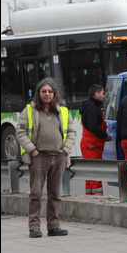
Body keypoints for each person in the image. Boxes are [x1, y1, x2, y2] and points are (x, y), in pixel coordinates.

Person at [17, 77, 77, 238]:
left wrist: (65, 150)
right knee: (36, 193)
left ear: (54, 93)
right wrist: (32, 150)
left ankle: (54, 226)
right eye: (44, 91)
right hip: (39, 157)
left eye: (50, 91)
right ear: (39, 93)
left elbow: (72, 132)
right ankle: (34, 227)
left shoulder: (62, 111)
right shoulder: (29, 111)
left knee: (55, 194)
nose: (47, 94)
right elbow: (20, 132)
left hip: (59, 156)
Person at [78, 84, 111, 196]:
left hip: (90, 145)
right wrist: (105, 136)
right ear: (96, 94)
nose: (104, 96)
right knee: (95, 173)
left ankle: (90, 199)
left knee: (90, 175)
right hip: (92, 145)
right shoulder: (92, 108)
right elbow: (93, 127)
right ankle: (98, 200)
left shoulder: (89, 106)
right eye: (102, 93)